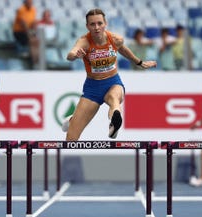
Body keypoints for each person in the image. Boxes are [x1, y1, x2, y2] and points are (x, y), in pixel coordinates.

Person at [62, 8, 157, 140]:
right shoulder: (84, 41)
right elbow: (70, 55)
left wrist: (139, 62)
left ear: (105, 23)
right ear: (87, 26)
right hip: (92, 89)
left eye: (99, 23)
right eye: (92, 24)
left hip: (112, 82)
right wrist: (75, 55)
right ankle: (74, 120)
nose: (96, 27)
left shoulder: (115, 39)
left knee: (114, 99)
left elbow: (123, 49)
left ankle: (114, 124)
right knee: (71, 138)